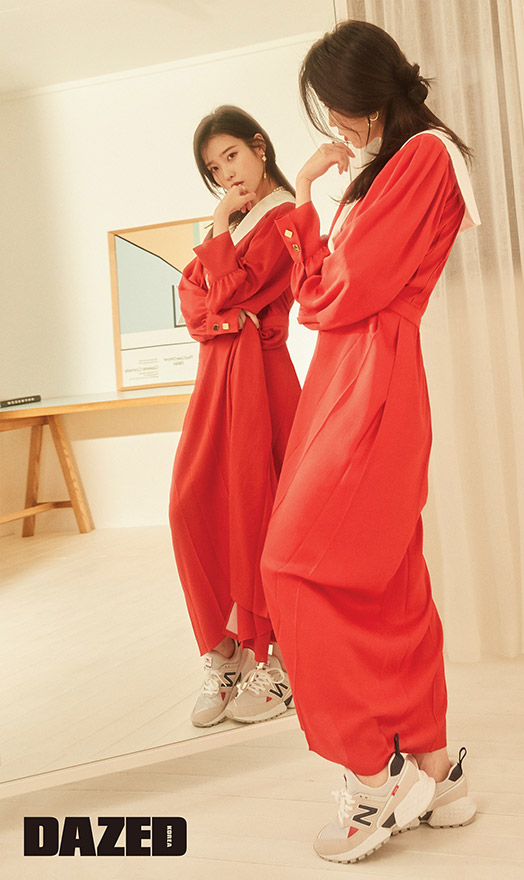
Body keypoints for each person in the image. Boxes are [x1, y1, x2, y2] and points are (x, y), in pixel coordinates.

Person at [260, 22, 481, 863]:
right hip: (354, 376)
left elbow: (331, 296)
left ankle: (374, 774)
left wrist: (302, 208)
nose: (333, 124)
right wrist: (316, 203)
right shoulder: (390, 165)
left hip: (370, 381)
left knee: (293, 567)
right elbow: (327, 292)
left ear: (365, 93)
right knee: (388, 577)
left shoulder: (422, 157)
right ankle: (434, 766)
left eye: (335, 106)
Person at [169, 106, 300, 728]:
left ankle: (280, 660)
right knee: (189, 504)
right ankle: (223, 652)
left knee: (260, 513)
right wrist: (227, 308)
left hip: (259, 378)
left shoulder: (288, 216)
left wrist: (220, 232)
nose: (227, 175)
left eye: (232, 157)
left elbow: (229, 291)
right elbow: (194, 303)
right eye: (215, 169)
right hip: (216, 376)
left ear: (258, 147)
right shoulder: (239, 224)